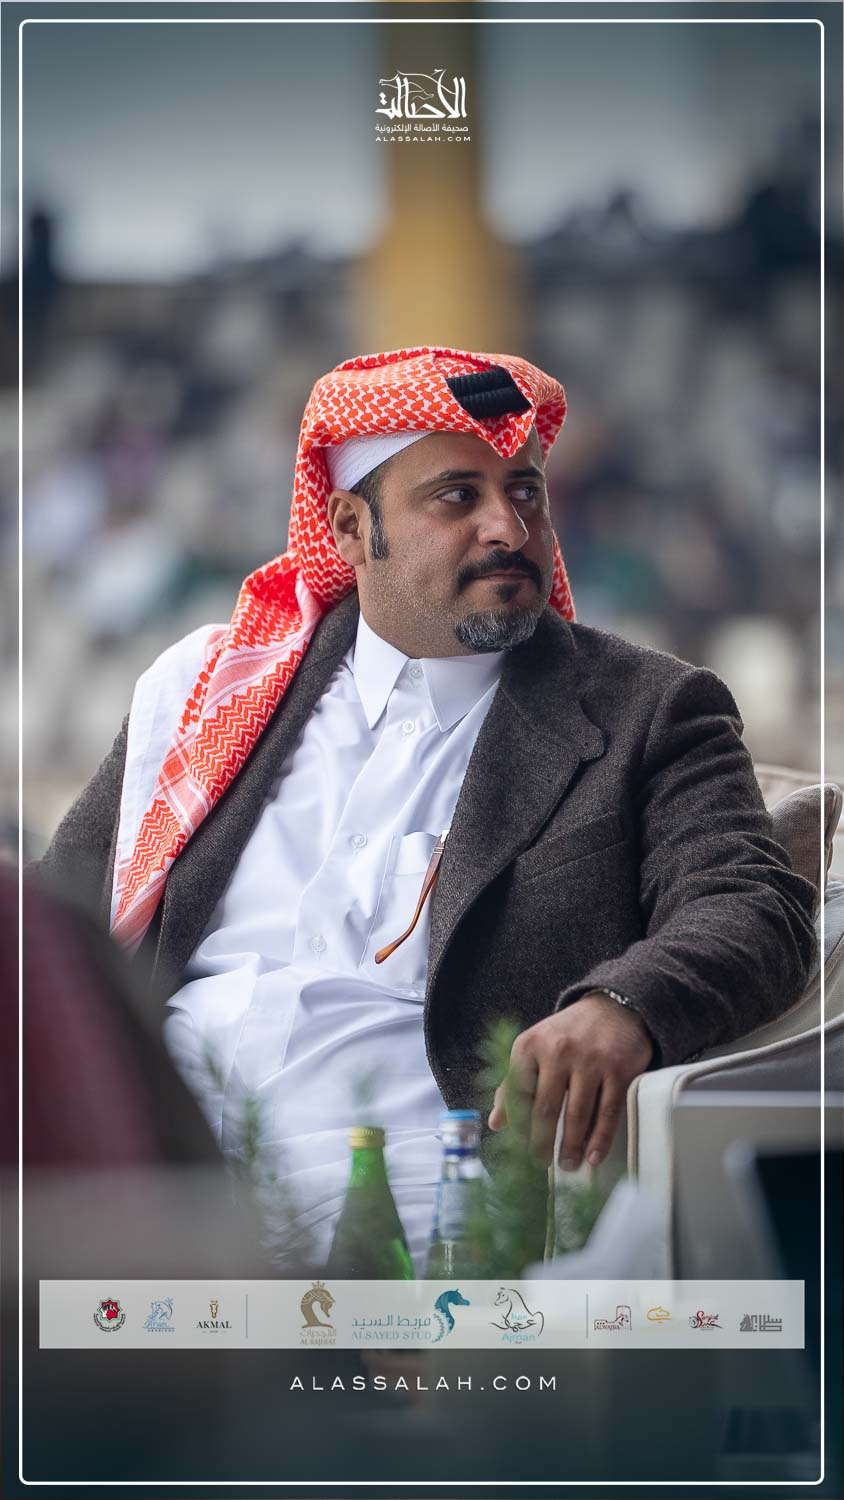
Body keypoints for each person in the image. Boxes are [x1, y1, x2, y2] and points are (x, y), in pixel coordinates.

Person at [40, 345, 817, 1269]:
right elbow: (54, 925)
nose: (508, 527)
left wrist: (623, 1006)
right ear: (348, 527)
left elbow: (752, 906)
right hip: (151, 1187)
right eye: (457, 496)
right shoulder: (211, 694)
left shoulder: (647, 711)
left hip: (416, 1204)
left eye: (525, 492)